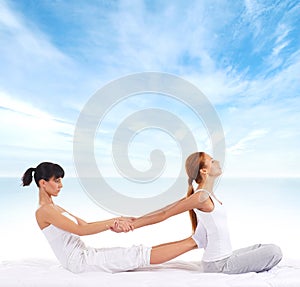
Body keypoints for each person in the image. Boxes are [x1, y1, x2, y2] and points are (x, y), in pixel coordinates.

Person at [22, 162, 212, 274]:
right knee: (136, 254)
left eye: (60, 180)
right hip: (78, 263)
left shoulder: (53, 207)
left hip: (85, 255)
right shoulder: (44, 211)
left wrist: (117, 219)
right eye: (57, 181)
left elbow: (84, 224)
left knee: (133, 251)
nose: (60, 185)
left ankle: (195, 240)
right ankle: (196, 241)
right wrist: (112, 223)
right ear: (42, 183)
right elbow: (81, 231)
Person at [134, 151, 283, 274]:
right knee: (274, 251)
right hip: (218, 265)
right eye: (212, 161)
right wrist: (134, 223)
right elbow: (165, 212)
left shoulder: (207, 195)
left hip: (225, 257)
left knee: (261, 247)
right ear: (204, 170)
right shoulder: (201, 197)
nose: (217, 162)